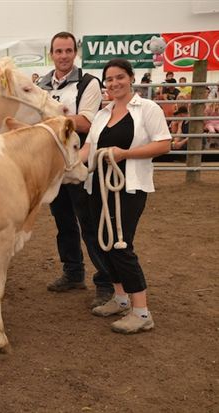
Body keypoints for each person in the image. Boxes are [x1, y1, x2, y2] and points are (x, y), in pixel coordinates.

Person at [80, 58, 171, 333]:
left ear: (131, 77)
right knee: (102, 243)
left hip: (128, 187)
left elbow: (163, 144)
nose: (114, 83)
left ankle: (141, 312)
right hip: (98, 186)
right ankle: (120, 298)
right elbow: (88, 148)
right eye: (109, 79)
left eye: (119, 77)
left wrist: (125, 154)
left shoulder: (148, 109)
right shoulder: (102, 114)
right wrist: (66, 165)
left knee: (120, 244)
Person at [37, 31, 113, 307]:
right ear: (51, 54)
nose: (64, 56)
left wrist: (52, 117)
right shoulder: (42, 84)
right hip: (53, 163)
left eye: (68, 50)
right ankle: (73, 272)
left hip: (80, 160)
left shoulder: (88, 82)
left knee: (89, 222)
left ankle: (106, 282)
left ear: (75, 53)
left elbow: (87, 122)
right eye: (59, 51)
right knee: (63, 221)